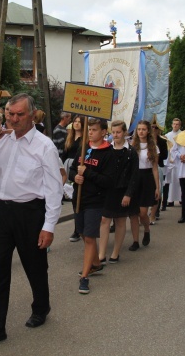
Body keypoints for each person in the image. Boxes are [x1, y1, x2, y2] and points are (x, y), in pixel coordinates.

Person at [0, 93, 62, 349]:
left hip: (30, 213)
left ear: (32, 115)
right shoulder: (0, 139)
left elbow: (54, 189)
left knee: (35, 266)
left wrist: (49, 226)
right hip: (0, 212)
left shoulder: (44, 146)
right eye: (9, 114)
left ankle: (41, 307)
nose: (13, 119)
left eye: (19, 115)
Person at [69, 118, 115, 294]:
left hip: (95, 201)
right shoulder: (84, 148)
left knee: (89, 237)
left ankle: (85, 277)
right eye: (90, 130)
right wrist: (75, 177)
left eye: (94, 130)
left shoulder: (108, 153)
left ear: (103, 132)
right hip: (79, 199)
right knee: (82, 232)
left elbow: (108, 181)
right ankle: (95, 263)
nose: (90, 133)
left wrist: (87, 173)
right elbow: (73, 169)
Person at [99, 120, 139, 263]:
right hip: (108, 190)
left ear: (125, 133)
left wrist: (128, 194)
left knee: (120, 221)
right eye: (113, 132)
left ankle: (115, 253)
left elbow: (134, 174)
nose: (115, 135)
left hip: (123, 191)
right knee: (104, 220)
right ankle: (101, 254)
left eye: (118, 132)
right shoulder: (107, 149)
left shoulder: (131, 152)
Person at [131, 120, 159, 243]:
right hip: (135, 178)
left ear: (148, 131)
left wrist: (157, 187)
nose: (141, 132)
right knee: (134, 213)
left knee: (142, 213)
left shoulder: (153, 147)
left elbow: (155, 168)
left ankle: (147, 229)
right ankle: (135, 240)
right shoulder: (132, 146)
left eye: (143, 129)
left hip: (147, 178)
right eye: (139, 129)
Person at [64, 115, 85, 242]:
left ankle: (80, 227)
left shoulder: (85, 139)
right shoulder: (70, 138)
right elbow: (64, 153)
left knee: (79, 197)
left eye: (79, 121)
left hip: (78, 167)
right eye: (75, 121)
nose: (76, 124)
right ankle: (77, 228)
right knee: (72, 198)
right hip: (68, 167)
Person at [150, 123, 168, 222]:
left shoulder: (162, 141)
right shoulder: (146, 140)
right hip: (148, 167)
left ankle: (155, 211)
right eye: (152, 127)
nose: (154, 129)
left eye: (156, 127)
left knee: (158, 189)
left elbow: (165, 155)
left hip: (158, 166)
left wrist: (156, 156)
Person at [163, 118, 182, 208]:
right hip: (170, 161)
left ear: (180, 125)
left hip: (179, 161)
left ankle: (181, 198)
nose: (175, 125)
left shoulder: (182, 135)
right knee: (170, 181)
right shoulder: (167, 135)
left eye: (177, 124)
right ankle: (170, 200)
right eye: (174, 124)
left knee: (179, 181)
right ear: (171, 125)